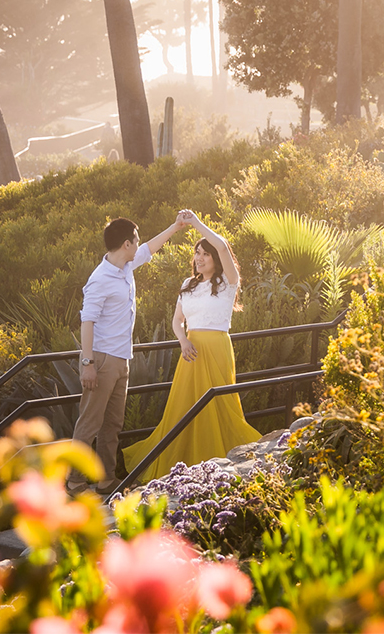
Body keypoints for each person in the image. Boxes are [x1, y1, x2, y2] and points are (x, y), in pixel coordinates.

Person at [120, 209, 262, 485]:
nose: (199, 258)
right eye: (197, 254)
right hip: (191, 352)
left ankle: (220, 463)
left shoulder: (227, 283)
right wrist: (183, 341)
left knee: (219, 406)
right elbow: (177, 321)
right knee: (184, 409)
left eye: (205, 255)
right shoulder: (187, 284)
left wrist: (196, 223)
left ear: (216, 259)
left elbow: (222, 245)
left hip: (217, 348)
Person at [74, 213, 189, 493]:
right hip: (101, 359)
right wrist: (87, 363)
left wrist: (175, 226)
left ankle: (105, 479)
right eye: (135, 241)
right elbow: (86, 322)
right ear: (126, 244)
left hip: (121, 358)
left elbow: (151, 247)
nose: (139, 246)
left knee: (112, 423)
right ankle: (74, 481)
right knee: (90, 423)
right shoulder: (100, 279)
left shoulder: (125, 266)